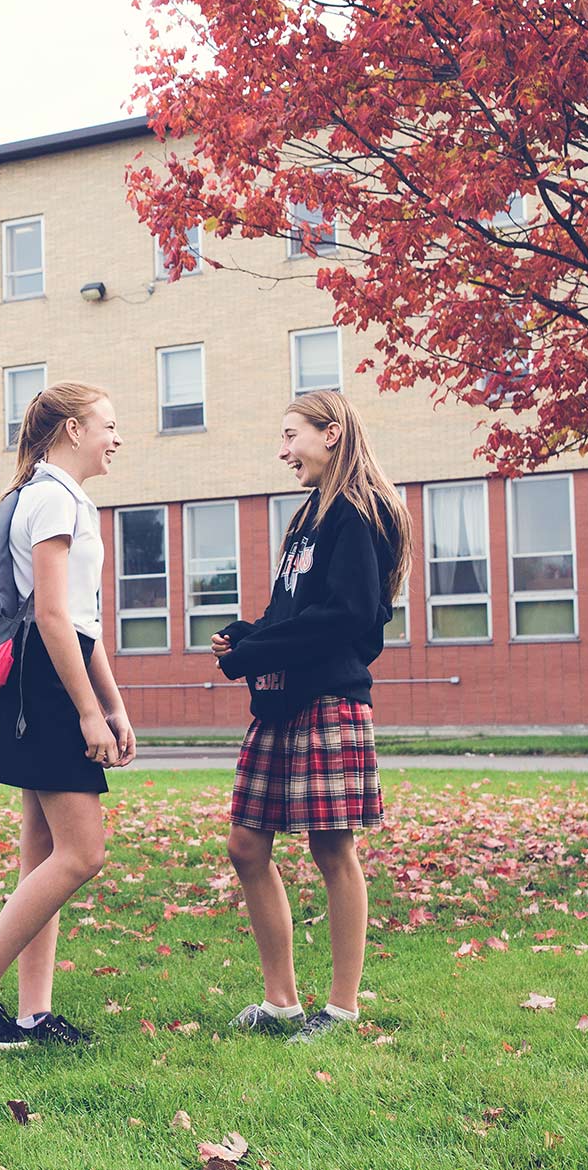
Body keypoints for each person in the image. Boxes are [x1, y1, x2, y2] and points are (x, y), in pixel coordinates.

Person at [0, 381, 136, 1049]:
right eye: (107, 424)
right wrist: (87, 711)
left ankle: (33, 1013)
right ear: (72, 430)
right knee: (83, 853)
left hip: (57, 668)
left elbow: (84, 622)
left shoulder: (63, 498)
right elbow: (51, 616)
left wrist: (114, 705)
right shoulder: (51, 497)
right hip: (48, 678)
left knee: (43, 853)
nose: (116, 436)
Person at [210, 388, 410, 1041]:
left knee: (332, 848)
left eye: (291, 434)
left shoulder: (359, 512)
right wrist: (249, 636)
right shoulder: (308, 516)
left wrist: (257, 651)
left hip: (330, 700)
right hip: (282, 701)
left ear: (331, 433)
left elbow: (350, 618)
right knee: (246, 845)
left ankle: (343, 1008)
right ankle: (281, 1003)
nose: (283, 449)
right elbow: (293, 611)